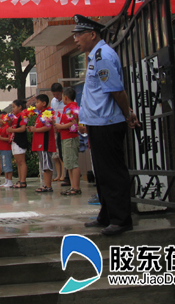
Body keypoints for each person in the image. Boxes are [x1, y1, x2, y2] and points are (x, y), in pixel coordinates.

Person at [73, 14, 139, 236]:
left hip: (108, 124)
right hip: (97, 123)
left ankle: (121, 219)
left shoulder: (102, 56)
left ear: (92, 34)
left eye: (79, 34)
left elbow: (117, 91)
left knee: (112, 172)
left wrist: (127, 115)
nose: (75, 39)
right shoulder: (95, 56)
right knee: (101, 173)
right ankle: (107, 214)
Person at [54, 87, 82, 196]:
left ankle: (76, 187)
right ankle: (72, 186)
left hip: (70, 137)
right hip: (65, 137)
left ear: (65, 97)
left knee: (73, 162)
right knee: (68, 163)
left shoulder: (72, 108)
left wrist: (60, 126)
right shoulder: (67, 108)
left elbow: (73, 123)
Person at [27, 94, 56, 193]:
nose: (35, 104)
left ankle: (48, 185)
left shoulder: (47, 113)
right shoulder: (40, 114)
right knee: (44, 165)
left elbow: (47, 127)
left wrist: (35, 129)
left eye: (37, 102)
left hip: (45, 143)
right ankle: (46, 184)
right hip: (39, 143)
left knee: (46, 165)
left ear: (44, 103)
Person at [8, 99, 29, 188]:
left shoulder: (23, 115)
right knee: (17, 162)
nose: (13, 109)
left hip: (20, 140)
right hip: (14, 140)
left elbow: (23, 128)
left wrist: (12, 130)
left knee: (21, 161)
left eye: (14, 107)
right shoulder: (15, 116)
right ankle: (20, 180)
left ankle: (23, 181)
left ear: (20, 107)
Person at [50, 83, 66, 183]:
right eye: (54, 94)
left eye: (58, 94)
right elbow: (52, 114)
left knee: (62, 154)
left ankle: (64, 175)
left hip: (64, 129)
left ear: (62, 92)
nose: (56, 96)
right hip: (55, 128)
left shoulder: (66, 100)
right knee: (55, 154)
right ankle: (58, 174)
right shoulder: (53, 101)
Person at [0, 114, 14, 187]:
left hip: (7, 148)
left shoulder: (6, 127)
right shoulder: (1, 127)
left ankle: (10, 181)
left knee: (7, 164)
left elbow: (9, 139)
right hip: (2, 148)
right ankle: (6, 180)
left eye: (1, 119)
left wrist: (1, 138)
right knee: (4, 165)